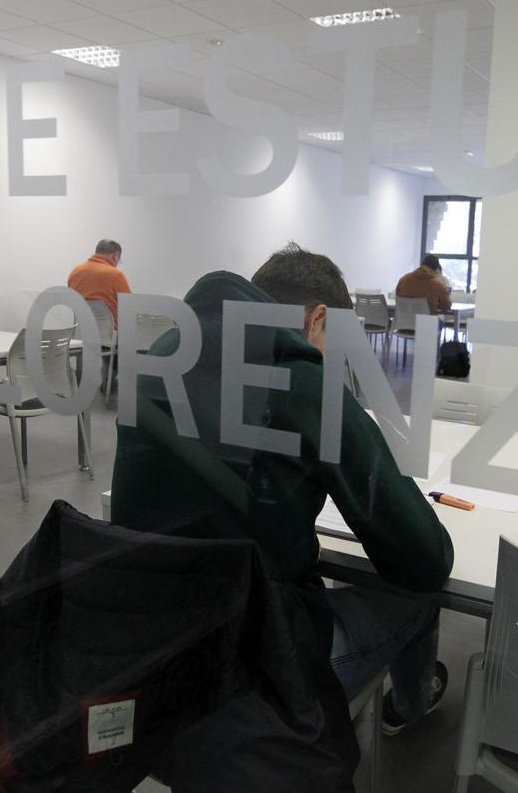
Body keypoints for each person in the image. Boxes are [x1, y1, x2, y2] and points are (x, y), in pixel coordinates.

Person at [110, 243, 453, 765]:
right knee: (420, 598)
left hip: (148, 649)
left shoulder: (158, 361)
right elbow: (425, 559)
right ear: (318, 319)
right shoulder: (305, 383)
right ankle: (411, 703)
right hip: (258, 667)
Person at [67, 239, 131, 326]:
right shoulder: (116, 275)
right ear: (115, 256)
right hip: (110, 334)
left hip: (80, 331)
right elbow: (129, 308)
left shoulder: (75, 272)